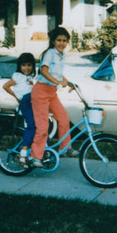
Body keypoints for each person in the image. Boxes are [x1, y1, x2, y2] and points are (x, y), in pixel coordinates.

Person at [29, 27, 78, 168]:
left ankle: (65, 148)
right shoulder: (50, 53)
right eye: (59, 40)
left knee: (63, 117)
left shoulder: (61, 55)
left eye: (64, 41)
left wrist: (68, 83)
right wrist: (58, 82)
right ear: (53, 41)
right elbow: (44, 71)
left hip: (51, 93)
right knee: (43, 126)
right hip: (40, 92)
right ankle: (34, 156)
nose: (62, 43)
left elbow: (57, 74)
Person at [2, 52, 36, 168]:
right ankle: (23, 153)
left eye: (29, 65)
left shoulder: (31, 77)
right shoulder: (18, 76)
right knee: (31, 126)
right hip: (25, 103)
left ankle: (35, 152)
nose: (26, 68)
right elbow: (5, 86)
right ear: (19, 66)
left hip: (33, 103)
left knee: (40, 126)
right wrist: (17, 96)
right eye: (24, 65)